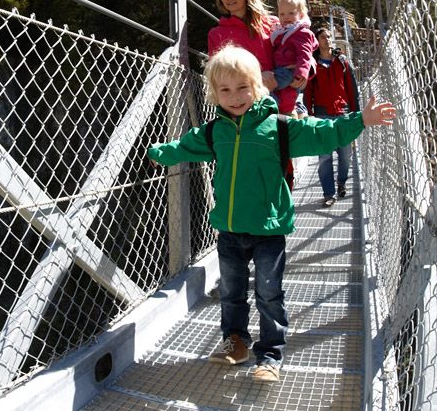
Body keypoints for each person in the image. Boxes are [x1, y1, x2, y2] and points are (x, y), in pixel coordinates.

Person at [147, 45, 395, 383]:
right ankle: (236, 342)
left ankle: (270, 356)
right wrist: (160, 153)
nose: (234, 97)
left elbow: (321, 134)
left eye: (242, 87)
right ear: (214, 94)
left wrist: (360, 120)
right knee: (231, 291)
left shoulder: (278, 127)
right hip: (230, 229)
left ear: (257, 86)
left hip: (268, 228)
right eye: (225, 90)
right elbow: (185, 146)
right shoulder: (215, 131)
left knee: (268, 292)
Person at [305, 27, 361, 207]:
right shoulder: (312, 63)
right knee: (325, 157)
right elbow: (308, 92)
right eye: (323, 37)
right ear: (317, 41)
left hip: (343, 113)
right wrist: (309, 115)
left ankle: (342, 181)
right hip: (322, 114)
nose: (327, 39)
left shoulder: (342, 61)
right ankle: (329, 193)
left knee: (346, 155)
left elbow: (352, 89)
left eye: (329, 36)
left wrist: (356, 115)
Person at [270, 0, 318, 116]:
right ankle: (289, 108)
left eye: (291, 13)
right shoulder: (282, 31)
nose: (286, 17)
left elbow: (305, 54)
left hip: (290, 72)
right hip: (282, 70)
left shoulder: (301, 32)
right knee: (282, 93)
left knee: (265, 86)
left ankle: (274, 105)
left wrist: (301, 73)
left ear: (301, 15)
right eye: (282, 14)